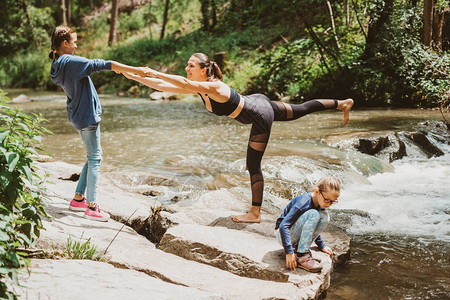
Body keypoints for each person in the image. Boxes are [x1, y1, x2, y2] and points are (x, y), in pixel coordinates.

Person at [120, 52, 353, 223]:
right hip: (258, 101)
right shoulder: (202, 86)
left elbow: (180, 82)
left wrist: (152, 70)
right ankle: (341, 103)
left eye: (191, 65)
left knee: (253, 164)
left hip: (260, 114)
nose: (187, 68)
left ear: (204, 70)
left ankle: (255, 213)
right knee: (300, 108)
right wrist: (133, 75)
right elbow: (163, 85)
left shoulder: (216, 87)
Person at [49, 25, 146, 222]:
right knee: (95, 159)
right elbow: (104, 63)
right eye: (74, 42)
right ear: (65, 43)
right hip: (87, 116)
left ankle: (78, 198)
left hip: (77, 115)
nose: (76, 46)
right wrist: (135, 70)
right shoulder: (72, 62)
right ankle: (92, 206)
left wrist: (122, 71)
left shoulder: (57, 65)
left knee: (92, 155)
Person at [275, 175, 341, 272]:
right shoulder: (302, 203)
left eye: (332, 202)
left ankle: (300, 250)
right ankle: (302, 256)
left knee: (324, 217)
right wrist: (289, 252)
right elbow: (283, 225)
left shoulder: (319, 202)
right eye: (327, 200)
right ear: (316, 191)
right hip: (283, 235)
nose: (329, 204)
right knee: (313, 214)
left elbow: (311, 226)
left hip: (294, 235)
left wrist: (321, 245)